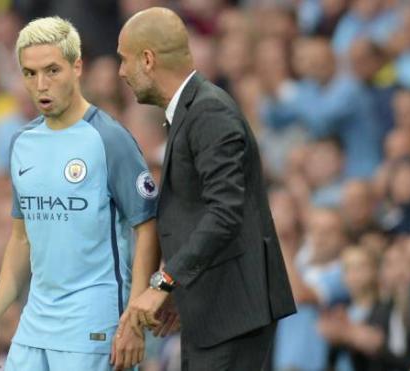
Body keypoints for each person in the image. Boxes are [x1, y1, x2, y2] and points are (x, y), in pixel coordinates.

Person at [0, 16, 161, 371]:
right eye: (29, 73)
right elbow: (21, 238)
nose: (41, 84)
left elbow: (147, 227)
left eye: (52, 70)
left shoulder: (110, 139)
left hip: (93, 321)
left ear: (77, 67)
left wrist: (134, 319)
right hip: (36, 319)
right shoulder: (22, 143)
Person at [117, 7, 296, 370]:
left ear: (148, 60)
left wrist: (164, 282)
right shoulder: (191, 111)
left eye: (125, 60)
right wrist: (181, 291)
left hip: (233, 313)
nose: (121, 72)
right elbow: (199, 212)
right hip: (215, 309)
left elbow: (224, 212)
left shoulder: (209, 112)